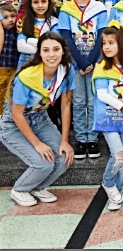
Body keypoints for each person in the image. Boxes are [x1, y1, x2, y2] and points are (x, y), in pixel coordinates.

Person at [0, 32, 74, 207]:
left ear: (63, 51)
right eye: (46, 50)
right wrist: (37, 144)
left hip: (40, 119)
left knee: (64, 157)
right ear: (39, 53)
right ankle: (19, 189)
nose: (51, 55)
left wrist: (65, 141)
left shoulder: (66, 71)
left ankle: (37, 187)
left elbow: (66, 105)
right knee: (43, 164)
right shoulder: (26, 77)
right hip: (14, 124)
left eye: (56, 49)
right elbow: (17, 114)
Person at [59, 0, 108, 160]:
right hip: (75, 64)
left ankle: (92, 138)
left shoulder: (99, 8)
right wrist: (79, 62)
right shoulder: (66, 8)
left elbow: (102, 35)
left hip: (94, 63)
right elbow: (65, 37)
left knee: (93, 101)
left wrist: (90, 61)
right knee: (78, 102)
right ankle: (81, 138)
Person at [92, 22, 123, 211]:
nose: (107, 47)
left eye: (111, 43)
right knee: (118, 155)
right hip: (107, 118)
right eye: (104, 43)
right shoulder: (102, 66)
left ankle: (116, 193)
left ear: (122, 43)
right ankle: (108, 183)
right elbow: (102, 94)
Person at [17, 0, 58, 68]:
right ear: (30, 4)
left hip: (46, 65)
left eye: (43, 1)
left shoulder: (55, 23)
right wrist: (44, 49)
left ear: (49, 2)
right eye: (35, 2)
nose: (40, 5)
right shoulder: (25, 21)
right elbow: (21, 47)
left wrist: (29, 41)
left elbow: (52, 46)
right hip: (25, 64)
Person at [0, 3, 19, 109]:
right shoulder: (1, 32)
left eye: (13, 16)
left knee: (10, 96)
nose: (10, 20)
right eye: (6, 17)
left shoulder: (17, 32)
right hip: (1, 70)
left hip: (13, 70)